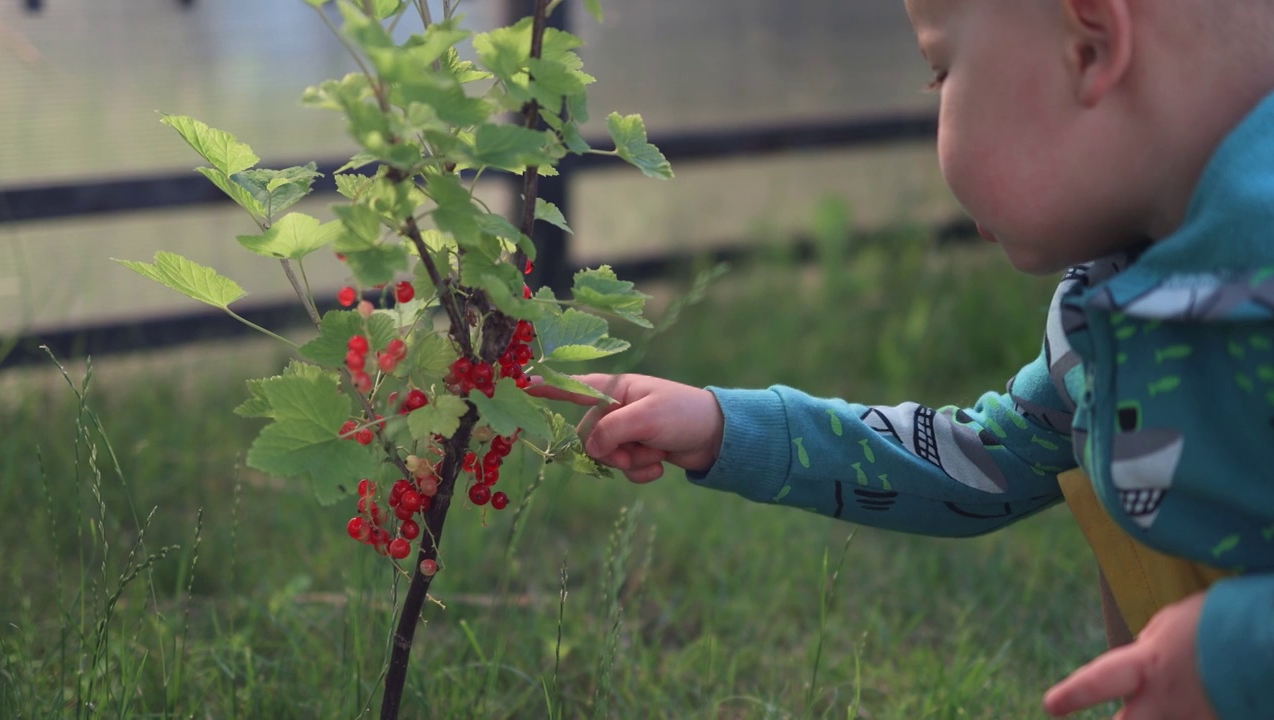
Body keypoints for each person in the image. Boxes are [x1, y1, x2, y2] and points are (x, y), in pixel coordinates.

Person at [529, 0, 1274, 717]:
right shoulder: (1109, 306)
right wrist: (724, 425)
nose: (935, 111)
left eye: (942, 70)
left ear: (1089, 46)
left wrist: (1233, 649)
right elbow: (981, 458)